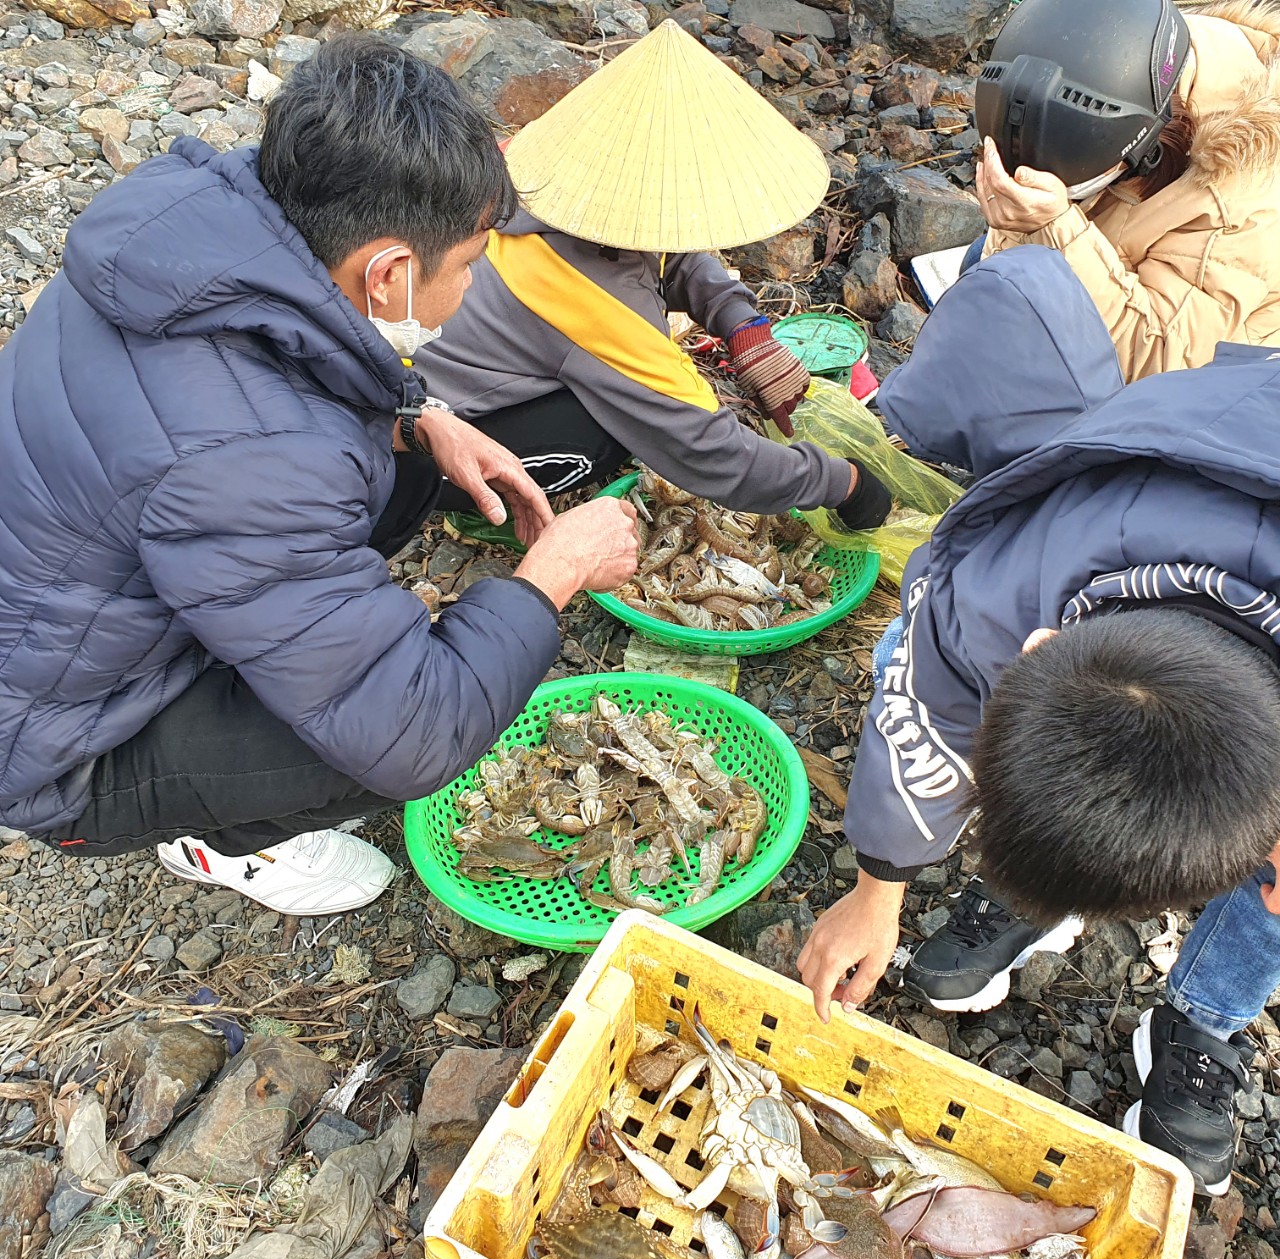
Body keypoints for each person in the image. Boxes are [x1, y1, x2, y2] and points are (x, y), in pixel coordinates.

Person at [0, 36, 643, 916]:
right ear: (387, 274)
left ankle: (293, 637)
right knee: (383, 744)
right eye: (467, 264)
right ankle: (216, 844)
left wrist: (422, 419)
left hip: (81, 595)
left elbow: (278, 383)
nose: (475, 283)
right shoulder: (245, 461)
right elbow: (418, 733)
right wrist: (554, 575)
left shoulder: (193, 225)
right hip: (57, 747)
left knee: (410, 471)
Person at [796, 243, 1279, 1196]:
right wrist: (878, 888)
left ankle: (1202, 1017)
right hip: (1199, 441)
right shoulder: (992, 591)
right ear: (1031, 653)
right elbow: (917, 714)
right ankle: (1037, 890)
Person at [415, 20, 890, 532]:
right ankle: (487, 513)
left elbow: (664, 250)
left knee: (618, 401)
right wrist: (844, 484)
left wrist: (742, 327)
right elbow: (711, 453)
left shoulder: (533, 170)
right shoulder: (588, 300)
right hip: (418, 440)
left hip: (436, 373)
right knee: (607, 433)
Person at [971, 0, 1280, 381]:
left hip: (1203, 370)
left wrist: (1050, 228)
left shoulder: (1238, 203)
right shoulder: (1133, 48)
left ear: (1145, 146)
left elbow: (1159, 365)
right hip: (1123, 263)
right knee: (983, 271)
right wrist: (1018, 218)